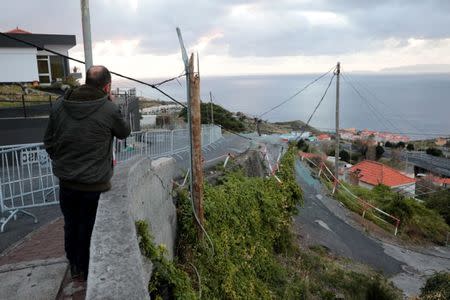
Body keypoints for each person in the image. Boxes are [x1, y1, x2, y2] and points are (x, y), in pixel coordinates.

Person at [44, 65, 130, 281]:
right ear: (107, 85)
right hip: (96, 183)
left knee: (71, 223)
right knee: (90, 226)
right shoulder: (108, 109)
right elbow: (124, 132)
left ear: (85, 82)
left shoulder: (60, 105)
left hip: (67, 181)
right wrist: (110, 104)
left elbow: (48, 142)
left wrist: (63, 162)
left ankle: (75, 265)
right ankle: (89, 267)